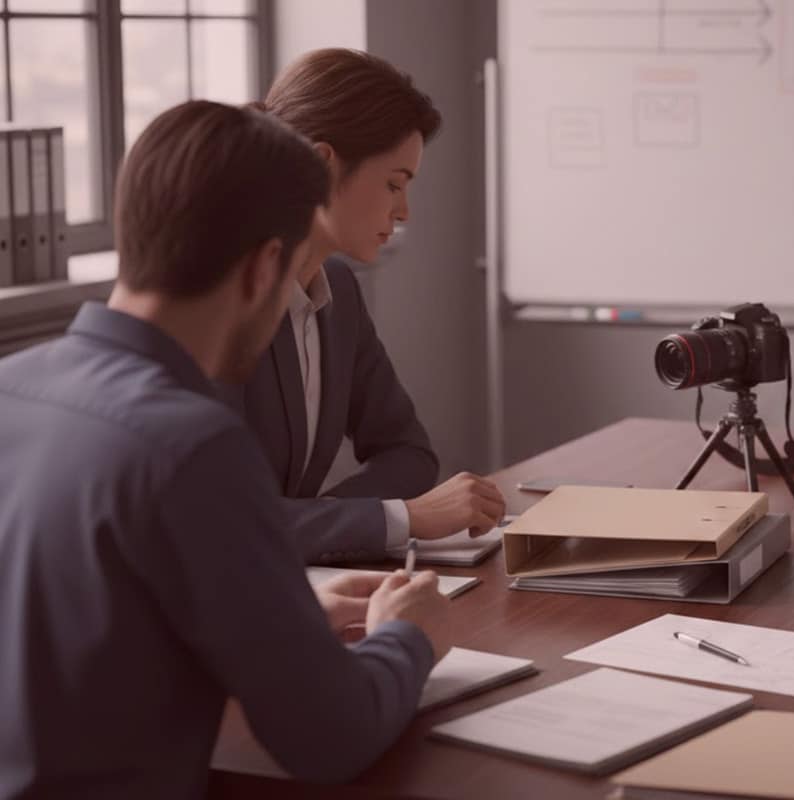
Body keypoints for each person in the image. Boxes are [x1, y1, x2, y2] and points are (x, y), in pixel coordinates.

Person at [0, 100, 452, 796]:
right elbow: (331, 736)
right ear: (265, 267)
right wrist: (408, 635)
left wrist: (282, 616)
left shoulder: (11, 387)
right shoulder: (192, 446)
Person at [225, 48, 505, 565]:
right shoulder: (220, 306)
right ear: (322, 165)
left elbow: (409, 452)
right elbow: (225, 525)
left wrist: (324, 523)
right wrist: (400, 519)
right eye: (393, 184)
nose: (404, 211)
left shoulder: (339, 291)